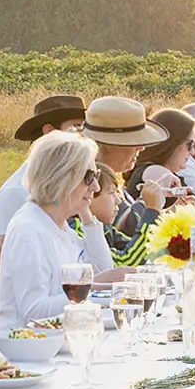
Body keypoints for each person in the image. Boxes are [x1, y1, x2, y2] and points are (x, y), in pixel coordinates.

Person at [0, 131, 119, 328]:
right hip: (29, 350)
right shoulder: (28, 230)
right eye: (88, 177)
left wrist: (87, 216)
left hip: (60, 343)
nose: (96, 187)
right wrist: (91, 291)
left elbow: (104, 270)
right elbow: (34, 312)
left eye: (95, 176)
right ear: (61, 178)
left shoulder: (58, 225)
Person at [79, 96, 175, 267]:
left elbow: (127, 242)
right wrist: (151, 209)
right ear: (110, 144)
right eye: (135, 141)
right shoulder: (84, 195)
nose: (141, 148)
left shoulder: (106, 181)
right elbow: (127, 261)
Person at [0, 94, 88, 256]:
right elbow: (3, 255)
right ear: (49, 132)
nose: (83, 135)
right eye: (77, 127)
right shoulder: (15, 191)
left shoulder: (76, 183)